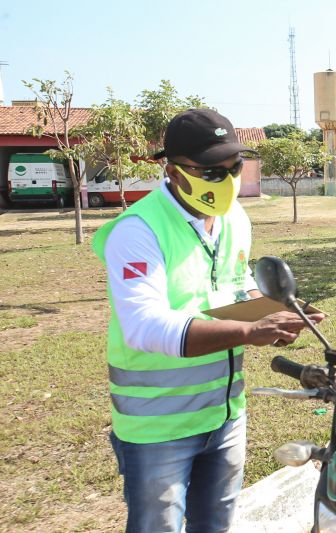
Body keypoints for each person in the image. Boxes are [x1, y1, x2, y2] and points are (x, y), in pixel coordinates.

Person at [92, 109, 324, 533]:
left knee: (216, 525)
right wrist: (250, 331)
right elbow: (144, 325)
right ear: (174, 170)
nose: (227, 179)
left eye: (234, 167)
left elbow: (236, 291)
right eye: (211, 171)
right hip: (158, 427)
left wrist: (277, 314)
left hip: (225, 415)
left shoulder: (236, 219)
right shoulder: (137, 230)